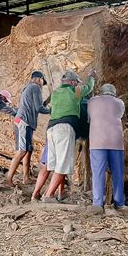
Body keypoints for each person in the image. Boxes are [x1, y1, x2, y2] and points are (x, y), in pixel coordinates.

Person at [42, 69, 96, 203]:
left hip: (51, 129)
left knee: (55, 164)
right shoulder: (73, 91)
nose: (77, 85)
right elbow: (88, 88)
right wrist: (91, 77)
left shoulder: (55, 93)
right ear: (72, 82)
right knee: (63, 164)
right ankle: (48, 196)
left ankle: (54, 194)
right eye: (76, 82)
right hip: (65, 128)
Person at [86, 84, 126, 214]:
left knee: (98, 173)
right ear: (113, 93)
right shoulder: (119, 103)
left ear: (101, 92)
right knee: (118, 172)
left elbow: (90, 116)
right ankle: (119, 202)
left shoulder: (92, 102)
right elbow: (120, 114)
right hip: (116, 141)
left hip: (97, 141)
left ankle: (97, 203)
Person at [6, 71, 51, 187]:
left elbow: (38, 106)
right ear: (38, 79)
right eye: (42, 81)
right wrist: (53, 111)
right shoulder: (35, 87)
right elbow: (39, 108)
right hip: (24, 122)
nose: (42, 84)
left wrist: (49, 100)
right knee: (22, 151)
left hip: (25, 122)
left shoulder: (28, 88)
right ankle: (8, 178)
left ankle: (26, 177)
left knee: (28, 149)